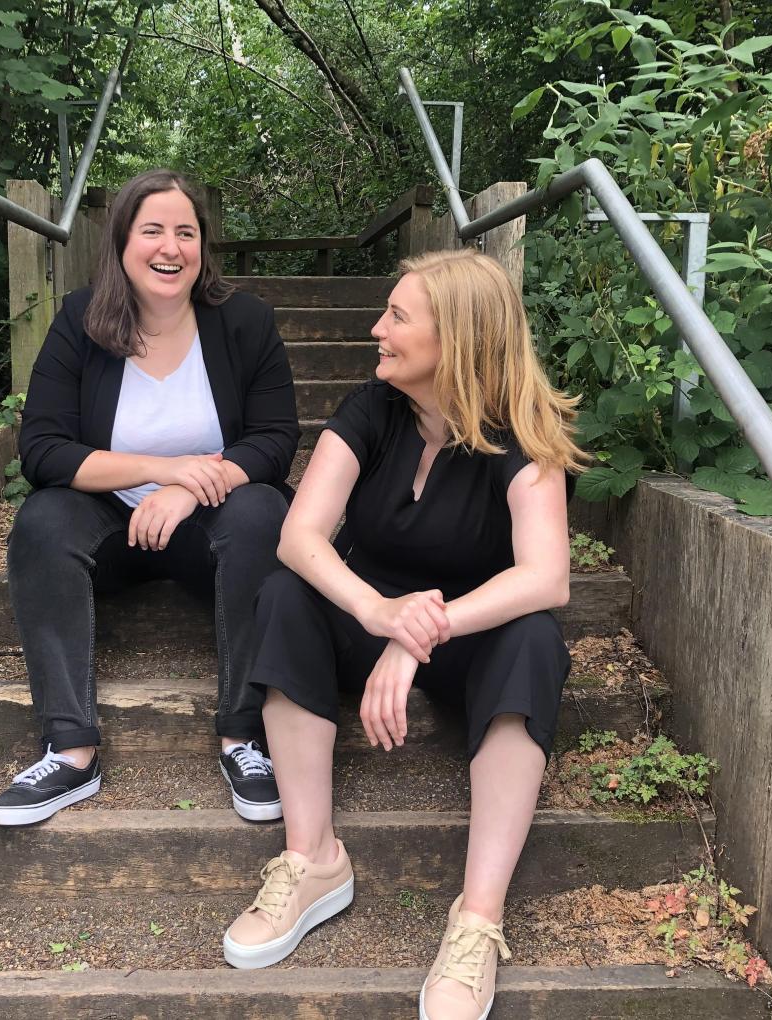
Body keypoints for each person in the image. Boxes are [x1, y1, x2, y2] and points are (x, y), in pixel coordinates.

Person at [221, 248, 586, 1020]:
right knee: (285, 595)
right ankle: (312, 857)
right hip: (367, 617)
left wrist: (425, 630)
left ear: (455, 339)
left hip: (473, 636)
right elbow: (301, 536)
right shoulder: (373, 408)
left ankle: (476, 923)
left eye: (398, 317)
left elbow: (545, 577)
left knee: (536, 640)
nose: (377, 329)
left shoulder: (522, 433)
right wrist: (380, 614)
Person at [0, 169, 298, 827]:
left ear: (203, 248)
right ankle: (70, 750)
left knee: (264, 510)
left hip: (208, 528)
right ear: (122, 242)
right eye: (153, 230)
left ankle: (244, 737)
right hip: (110, 527)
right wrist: (164, 467)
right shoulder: (79, 320)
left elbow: (274, 440)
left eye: (187, 232)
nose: (171, 247)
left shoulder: (244, 322)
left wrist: (186, 488)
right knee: (41, 521)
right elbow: (42, 449)